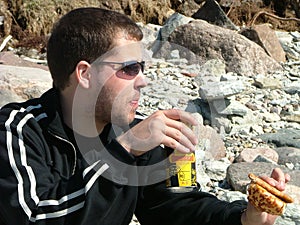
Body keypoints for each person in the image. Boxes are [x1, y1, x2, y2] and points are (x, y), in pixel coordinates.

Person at [0, 7, 291, 225]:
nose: (142, 80)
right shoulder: (17, 131)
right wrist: (124, 151)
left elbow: (180, 206)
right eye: (129, 68)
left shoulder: (135, 136)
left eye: (143, 67)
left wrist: (244, 217)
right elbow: (35, 217)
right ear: (85, 74)